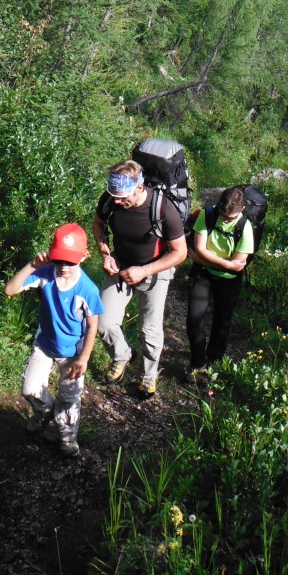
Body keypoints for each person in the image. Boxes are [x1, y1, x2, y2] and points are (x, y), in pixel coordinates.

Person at [4, 223, 103, 458]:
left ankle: (68, 439)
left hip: (73, 354)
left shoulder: (87, 289)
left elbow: (92, 326)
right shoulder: (46, 274)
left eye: (70, 261)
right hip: (44, 346)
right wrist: (32, 265)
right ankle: (44, 411)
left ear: (84, 257)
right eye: (59, 260)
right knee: (29, 388)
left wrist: (84, 359)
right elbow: (10, 289)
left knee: (69, 399)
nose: (64, 267)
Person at [92, 160, 187, 397]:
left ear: (139, 188)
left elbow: (180, 253)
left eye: (122, 196)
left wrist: (144, 271)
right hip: (120, 265)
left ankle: (149, 375)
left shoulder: (163, 209)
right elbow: (98, 225)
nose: (116, 201)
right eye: (114, 195)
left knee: (150, 329)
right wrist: (105, 255)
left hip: (155, 270)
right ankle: (122, 355)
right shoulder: (109, 201)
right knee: (103, 322)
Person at [186, 186, 254, 377]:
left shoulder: (246, 228)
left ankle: (214, 359)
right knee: (194, 319)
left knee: (222, 322)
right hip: (203, 274)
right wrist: (225, 263)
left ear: (241, 209)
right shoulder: (207, 215)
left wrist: (204, 259)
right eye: (222, 215)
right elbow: (200, 249)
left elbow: (238, 264)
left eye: (229, 218)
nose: (224, 220)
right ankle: (198, 362)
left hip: (229, 281)